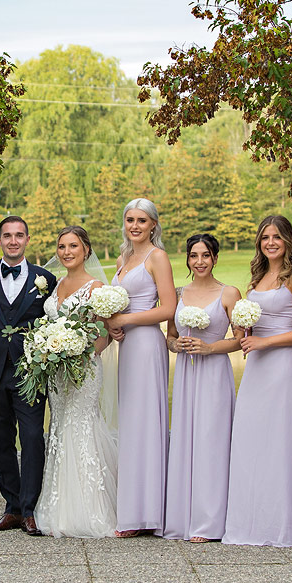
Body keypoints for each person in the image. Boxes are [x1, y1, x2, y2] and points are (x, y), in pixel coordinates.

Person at [223, 215, 292, 547]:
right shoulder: (256, 279)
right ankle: (253, 521)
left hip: (283, 365)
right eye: (265, 237)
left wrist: (267, 342)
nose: (270, 242)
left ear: (288, 241)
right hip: (257, 368)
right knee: (252, 437)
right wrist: (244, 329)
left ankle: (287, 523)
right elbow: (250, 328)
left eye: (277, 237)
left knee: (282, 438)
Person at [0, 216, 56, 536]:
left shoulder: (45, 278)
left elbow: (53, 323)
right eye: (8, 236)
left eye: (19, 235)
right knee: (1, 440)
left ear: (28, 239)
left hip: (30, 371)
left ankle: (31, 509)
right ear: (0, 240)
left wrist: (34, 347)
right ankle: (12, 507)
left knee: (32, 437)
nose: (14, 241)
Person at [36, 226, 118, 538]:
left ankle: (91, 509)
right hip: (57, 372)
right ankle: (59, 509)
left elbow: (106, 332)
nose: (67, 252)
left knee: (82, 426)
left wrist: (81, 354)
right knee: (59, 428)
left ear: (86, 250)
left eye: (73, 246)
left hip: (84, 371)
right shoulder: (55, 284)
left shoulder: (96, 287)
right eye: (61, 246)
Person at [162, 233, 242, 542]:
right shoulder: (179, 293)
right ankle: (184, 517)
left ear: (215, 258)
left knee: (212, 439)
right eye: (194, 256)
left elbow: (240, 339)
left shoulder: (228, 293)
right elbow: (169, 336)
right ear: (187, 259)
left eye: (205, 255)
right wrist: (176, 344)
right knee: (186, 438)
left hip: (213, 372)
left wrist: (210, 348)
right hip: (185, 373)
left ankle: (210, 522)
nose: (199, 262)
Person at [105, 198, 176, 537]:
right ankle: (132, 509)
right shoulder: (123, 259)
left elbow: (169, 308)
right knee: (131, 423)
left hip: (148, 345)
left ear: (153, 225)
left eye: (142, 220)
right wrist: (112, 325)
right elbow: (117, 306)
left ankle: (150, 514)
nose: (135, 225)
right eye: (130, 219)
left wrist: (126, 319)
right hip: (128, 346)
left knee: (147, 422)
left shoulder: (157, 257)